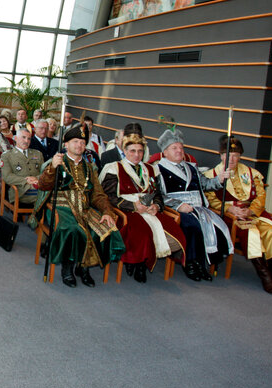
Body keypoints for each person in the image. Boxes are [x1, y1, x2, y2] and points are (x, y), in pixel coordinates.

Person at [30, 123, 125, 288]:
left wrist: (107, 211)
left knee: (102, 228)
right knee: (73, 229)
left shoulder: (89, 167)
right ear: (66, 144)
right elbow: (43, 185)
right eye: (75, 141)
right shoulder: (56, 162)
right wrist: (52, 167)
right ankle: (67, 269)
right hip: (61, 207)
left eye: (82, 142)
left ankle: (84, 267)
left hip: (85, 207)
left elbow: (98, 194)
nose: (79, 145)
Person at [204, 136, 272, 294]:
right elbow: (211, 201)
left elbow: (261, 196)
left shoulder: (252, 173)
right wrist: (230, 209)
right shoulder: (212, 175)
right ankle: (265, 276)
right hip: (232, 217)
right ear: (221, 155)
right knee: (252, 234)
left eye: (236, 155)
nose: (232, 159)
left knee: (271, 232)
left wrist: (251, 211)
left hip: (254, 213)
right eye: (228, 155)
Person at [99, 133, 186, 283]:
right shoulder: (114, 168)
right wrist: (133, 206)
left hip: (148, 209)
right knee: (143, 233)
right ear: (125, 151)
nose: (136, 154)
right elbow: (109, 196)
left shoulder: (151, 169)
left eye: (140, 151)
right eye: (132, 151)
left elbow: (158, 193)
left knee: (174, 230)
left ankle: (141, 262)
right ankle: (138, 263)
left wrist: (156, 206)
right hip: (125, 211)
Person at [155, 128, 232, 282]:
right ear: (165, 152)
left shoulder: (192, 167)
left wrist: (220, 179)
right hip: (175, 211)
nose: (179, 151)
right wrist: (178, 205)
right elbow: (158, 195)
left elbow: (206, 184)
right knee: (192, 226)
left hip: (198, 208)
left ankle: (201, 263)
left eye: (181, 148)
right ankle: (189, 263)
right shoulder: (157, 169)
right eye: (174, 148)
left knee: (217, 226)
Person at [1, 127, 43, 206]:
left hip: (38, 186)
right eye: (23, 137)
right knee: (46, 197)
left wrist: (36, 178)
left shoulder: (38, 154)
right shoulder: (7, 155)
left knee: (51, 194)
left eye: (29, 139)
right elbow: (7, 176)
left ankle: (39, 217)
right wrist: (26, 180)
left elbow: (44, 172)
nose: (26, 141)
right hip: (20, 191)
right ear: (16, 138)